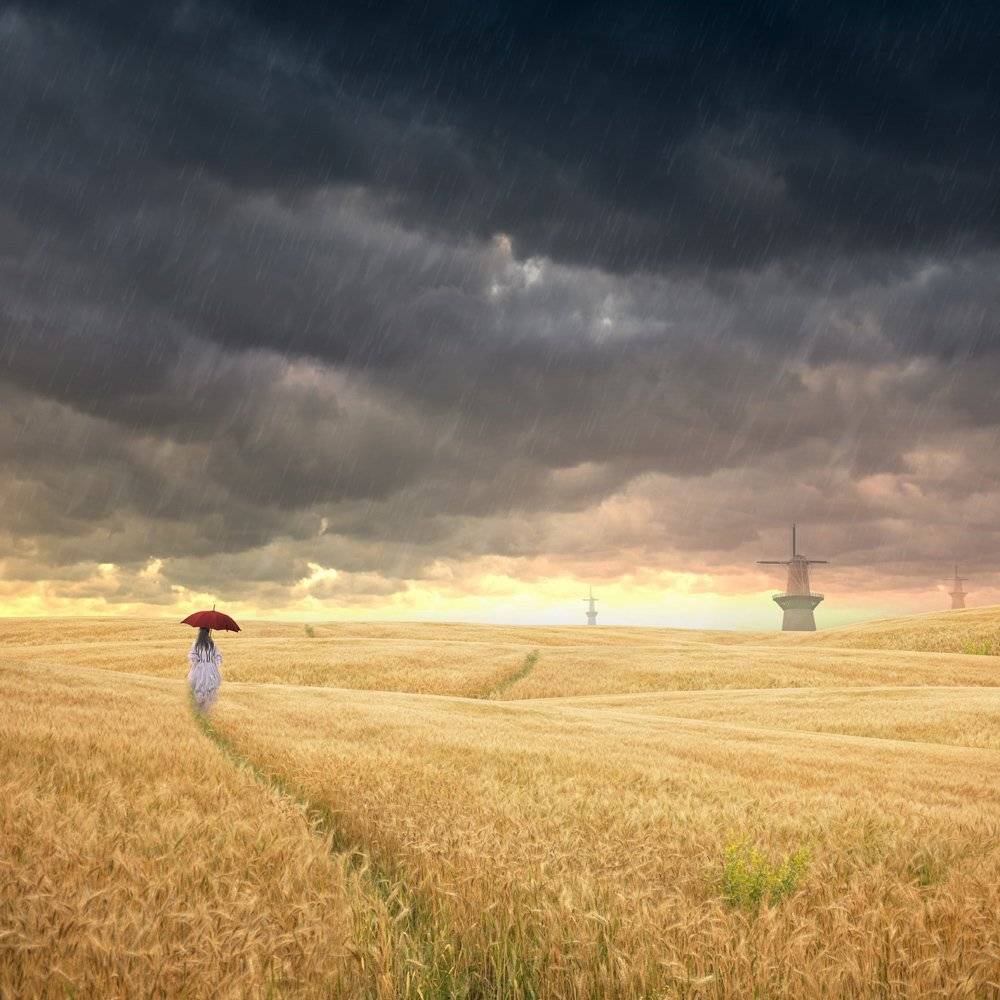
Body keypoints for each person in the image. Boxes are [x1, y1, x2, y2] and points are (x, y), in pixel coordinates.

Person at [188, 627, 222, 713]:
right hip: (208, 667)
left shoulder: (208, 643)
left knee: (201, 685)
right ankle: (202, 709)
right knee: (207, 686)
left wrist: (196, 660)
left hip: (200, 667)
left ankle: (203, 709)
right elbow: (217, 655)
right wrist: (217, 662)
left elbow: (192, 655)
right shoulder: (207, 643)